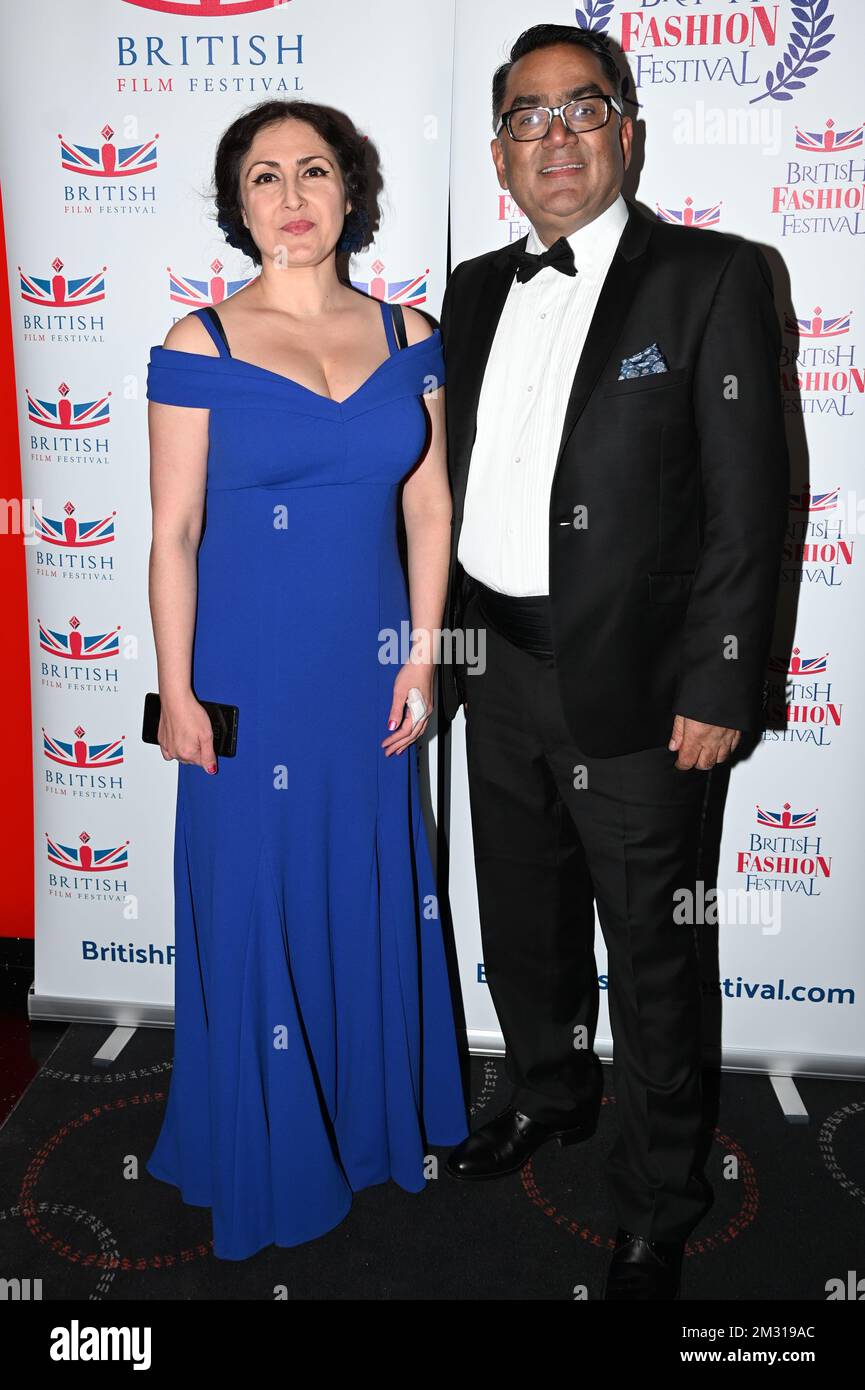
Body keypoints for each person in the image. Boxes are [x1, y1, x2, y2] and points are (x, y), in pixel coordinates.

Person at [438, 26, 788, 1299]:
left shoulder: (710, 275)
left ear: (625, 129)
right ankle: (545, 1091)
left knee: (653, 956)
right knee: (523, 927)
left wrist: (723, 679)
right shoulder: (472, 289)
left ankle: (655, 1201)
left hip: (644, 694)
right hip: (498, 670)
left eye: (582, 109)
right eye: (528, 119)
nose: (557, 138)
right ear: (499, 154)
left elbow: (755, 504)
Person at [145, 98, 468, 1261]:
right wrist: (177, 690)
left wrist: (425, 653)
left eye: (315, 171)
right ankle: (263, 1149)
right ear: (238, 206)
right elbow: (173, 532)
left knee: (365, 882)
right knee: (258, 897)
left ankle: (371, 1126)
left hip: (369, 668)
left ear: (349, 191)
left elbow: (427, 502)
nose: (293, 197)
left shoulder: (407, 328)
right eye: (266, 177)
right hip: (247, 674)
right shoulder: (202, 345)